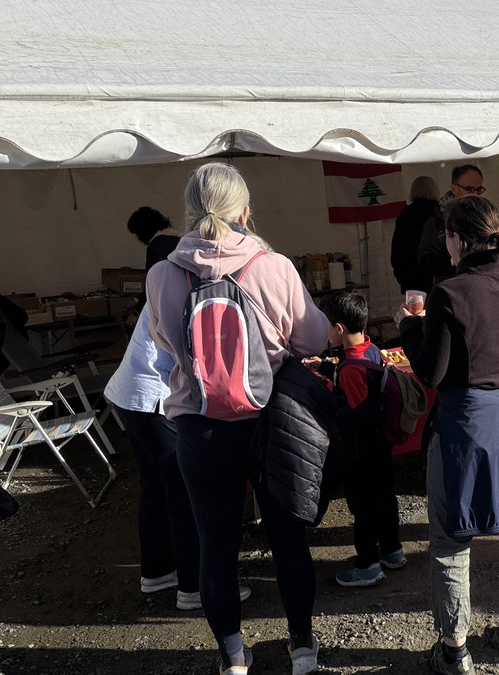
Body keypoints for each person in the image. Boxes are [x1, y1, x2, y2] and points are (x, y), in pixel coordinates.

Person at [146, 162, 331, 675]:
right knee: (287, 536)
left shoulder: (162, 274)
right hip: (270, 420)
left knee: (215, 543)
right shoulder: (274, 266)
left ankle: (232, 656)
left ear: (188, 212)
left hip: (198, 423)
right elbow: (313, 339)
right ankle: (301, 648)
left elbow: (165, 342)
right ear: (245, 212)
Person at [396, 196, 499, 674]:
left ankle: (454, 649)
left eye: (446, 236)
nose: (445, 244)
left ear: (459, 240)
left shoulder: (449, 292)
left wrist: (410, 327)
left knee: (451, 538)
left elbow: (432, 372)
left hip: (465, 422)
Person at [104, 305, 209, 610]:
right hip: (152, 396)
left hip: (132, 394)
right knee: (184, 492)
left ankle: (158, 571)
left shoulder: (167, 282)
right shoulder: (192, 289)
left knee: (156, 488)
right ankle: (195, 586)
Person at [323, 293, 406, 588]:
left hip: (361, 450)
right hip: (381, 444)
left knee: (363, 506)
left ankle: (368, 565)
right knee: (385, 497)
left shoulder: (350, 370)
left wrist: (331, 402)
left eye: (328, 325)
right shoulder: (372, 350)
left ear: (339, 329)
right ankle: (393, 551)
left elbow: (356, 415)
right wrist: (328, 368)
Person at [417, 165, 485, 287]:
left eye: (479, 190)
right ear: (454, 189)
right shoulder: (438, 218)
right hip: (451, 287)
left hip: (480, 285)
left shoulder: (485, 217)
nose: (475, 195)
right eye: (469, 189)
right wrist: (455, 259)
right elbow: (426, 260)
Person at [392, 176, 440, 293]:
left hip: (409, 274)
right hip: (434, 274)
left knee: (414, 304)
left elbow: (397, 246)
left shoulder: (406, 214)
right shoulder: (438, 212)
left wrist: (400, 273)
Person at [127, 206, 179, 311]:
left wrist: (137, 310)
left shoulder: (156, 246)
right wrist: (138, 300)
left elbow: (154, 284)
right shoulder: (178, 239)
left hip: (167, 305)